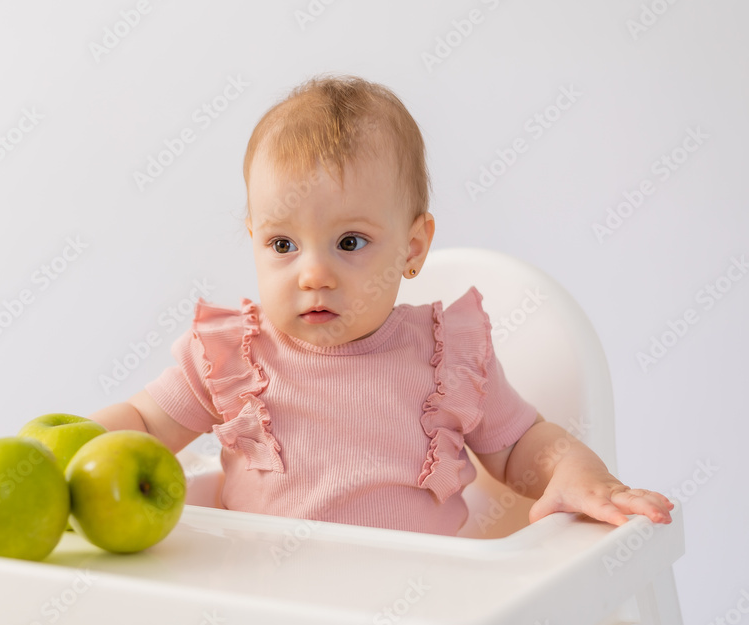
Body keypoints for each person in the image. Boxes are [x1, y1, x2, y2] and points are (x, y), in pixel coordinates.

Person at [87, 74, 673, 537]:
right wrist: (58, 449)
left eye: (349, 243)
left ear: (412, 248)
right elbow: (140, 424)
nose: (313, 273)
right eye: (282, 244)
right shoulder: (232, 358)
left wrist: (579, 475)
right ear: (254, 241)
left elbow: (521, 444)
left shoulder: (447, 360)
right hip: (256, 624)